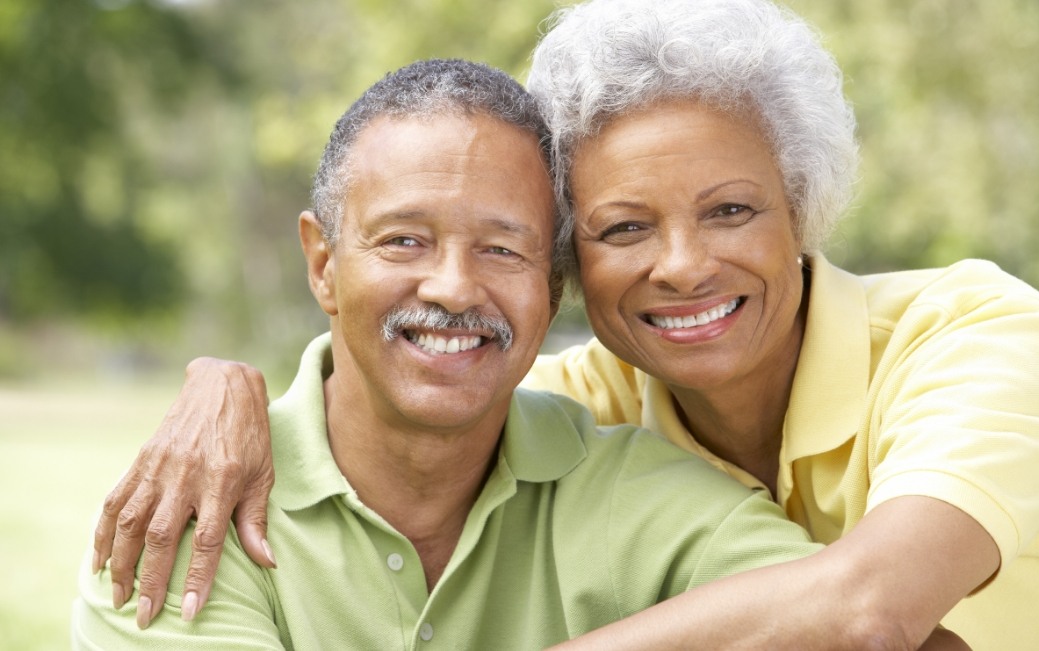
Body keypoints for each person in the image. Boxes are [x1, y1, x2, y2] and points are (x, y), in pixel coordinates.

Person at [92, 0, 1039, 649]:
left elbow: (875, 613)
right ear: (571, 264)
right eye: (623, 226)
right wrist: (222, 384)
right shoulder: (576, 412)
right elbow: (415, 370)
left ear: (803, 209)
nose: (682, 264)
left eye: (731, 210)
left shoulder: (970, 332)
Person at [73, 58, 828, 649]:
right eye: (405, 239)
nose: (454, 287)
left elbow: (890, 631)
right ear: (323, 264)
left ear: (553, 284)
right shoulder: (185, 509)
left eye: (502, 248)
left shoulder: (645, 496)